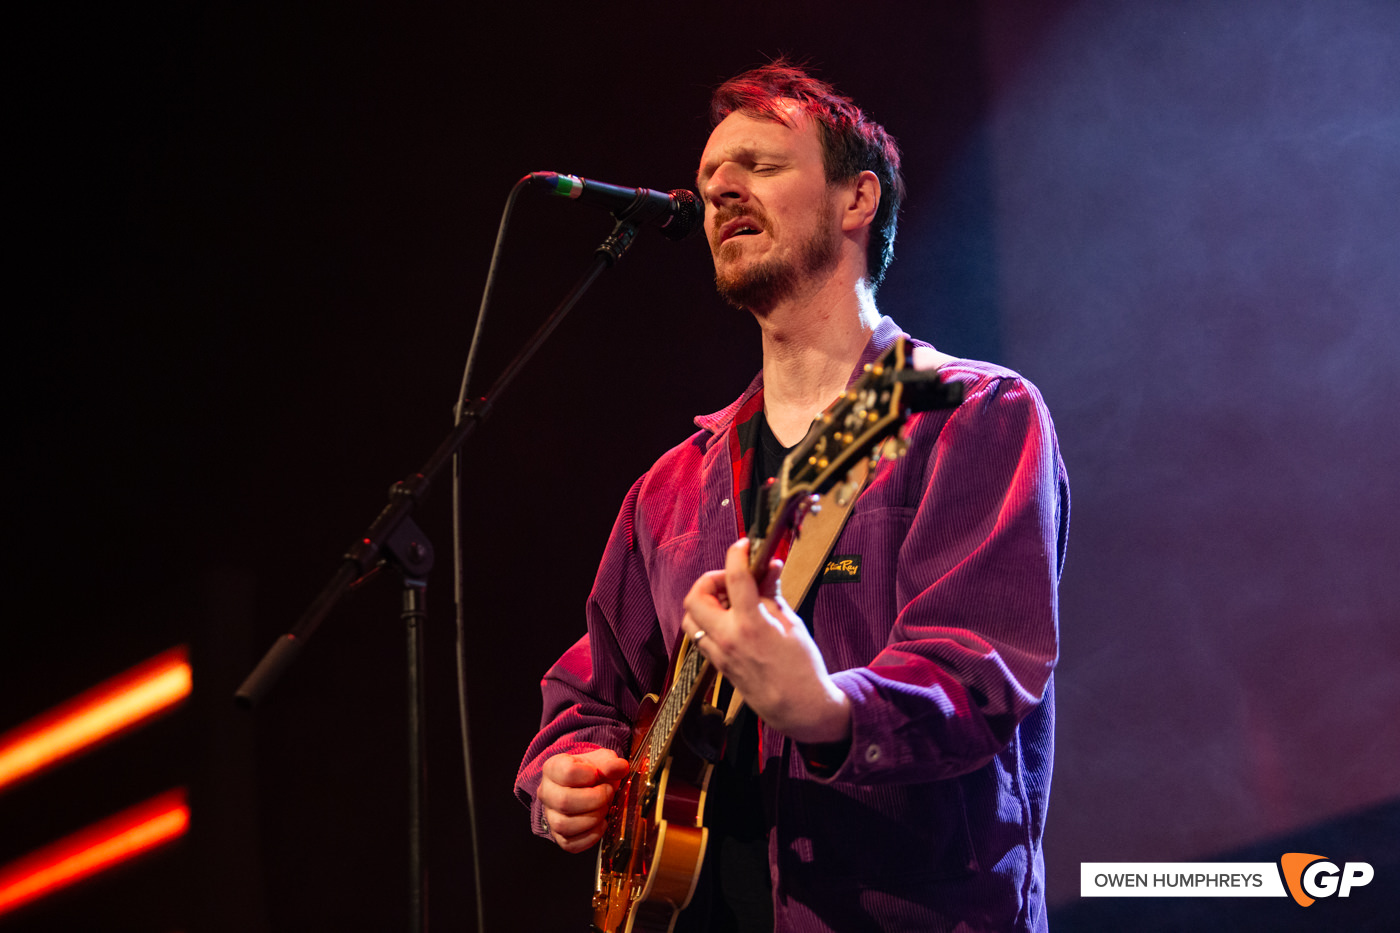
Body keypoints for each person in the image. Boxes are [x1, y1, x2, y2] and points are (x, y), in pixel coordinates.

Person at [514, 60, 1069, 933]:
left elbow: (979, 668)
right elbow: (588, 694)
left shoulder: (968, 415)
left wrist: (826, 709)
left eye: (761, 165)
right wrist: (566, 773)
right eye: (707, 181)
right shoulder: (667, 489)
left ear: (858, 199)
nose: (720, 189)